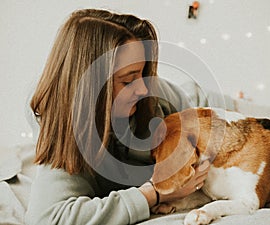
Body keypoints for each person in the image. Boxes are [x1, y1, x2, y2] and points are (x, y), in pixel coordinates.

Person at [25, 9, 211, 225]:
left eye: (143, 74)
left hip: (199, 101)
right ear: (90, 88)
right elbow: (46, 219)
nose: (143, 89)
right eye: (127, 81)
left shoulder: (160, 99)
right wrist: (154, 193)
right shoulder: (61, 120)